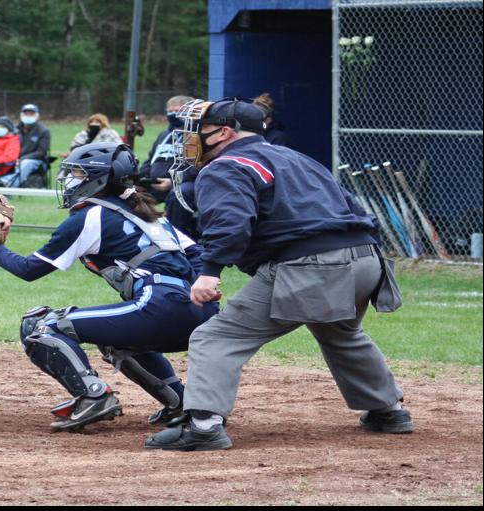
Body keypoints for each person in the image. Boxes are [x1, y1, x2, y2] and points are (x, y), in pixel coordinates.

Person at [145, 99, 411, 452]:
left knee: (215, 338)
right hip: (367, 259)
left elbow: (230, 225)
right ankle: (388, 410)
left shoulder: (225, 166)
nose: (191, 139)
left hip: (311, 265)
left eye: (200, 130)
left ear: (224, 132)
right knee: (341, 333)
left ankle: (204, 426)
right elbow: (354, 208)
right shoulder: (297, 158)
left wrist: (210, 272)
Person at [0, 142, 219, 431]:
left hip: (160, 305)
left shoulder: (90, 216)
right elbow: (197, 255)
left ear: (100, 179)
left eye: (77, 173)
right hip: (202, 312)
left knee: (41, 326)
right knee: (114, 338)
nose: (69, 180)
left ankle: (93, 396)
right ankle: (180, 402)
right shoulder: (150, 214)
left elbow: (29, 270)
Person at [3, 102, 52, 188]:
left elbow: (41, 152)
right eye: (26, 113)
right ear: (21, 115)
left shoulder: (43, 131)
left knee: (25, 163)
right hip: (14, 158)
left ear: (37, 116)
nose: (28, 116)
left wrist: (22, 159)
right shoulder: (15, 130)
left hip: (34, 160)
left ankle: (9, 189)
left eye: (31, 114)